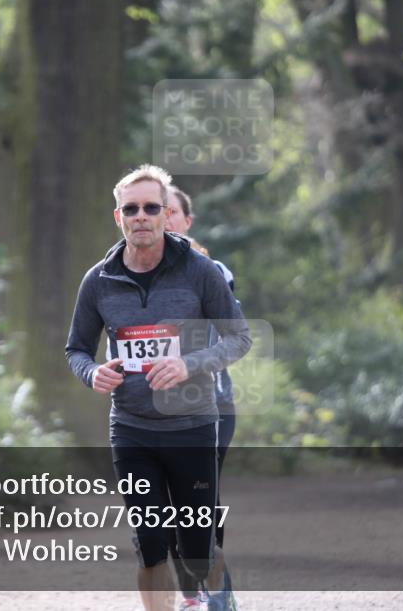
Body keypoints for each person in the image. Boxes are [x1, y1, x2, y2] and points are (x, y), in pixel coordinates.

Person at [66, 165, 251, 611]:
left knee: (196, 544)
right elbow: (77, 349)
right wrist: (93, 373)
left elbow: (239, 338)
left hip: (192, 426)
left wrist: (188, 365)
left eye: (151, 208)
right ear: (118, 217)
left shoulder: (200, 271)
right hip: (132, 429)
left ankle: (219, 599)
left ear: (168, 214)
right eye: (131, 209)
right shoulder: (98, 280)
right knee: (150, 541)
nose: (141, 217)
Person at [164, 186, 238, 609]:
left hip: (213, 407)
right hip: (153, 412)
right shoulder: (125, 274)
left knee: (199, 497)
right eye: (153, 211)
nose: (162, 218)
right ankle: (191, 592)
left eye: (170, 211)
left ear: (186, 221)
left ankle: (215, 589)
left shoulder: (213, 271)